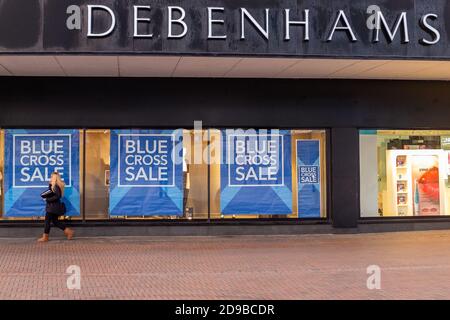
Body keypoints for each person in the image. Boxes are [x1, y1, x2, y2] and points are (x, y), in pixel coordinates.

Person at [37, 172, 74, 242]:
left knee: (47, 221)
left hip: (52, 207)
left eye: (51, 177)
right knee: (55, 221)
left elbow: (57, 196)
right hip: (54, 207)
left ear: (55, 178)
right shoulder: (53, 186)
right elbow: (53, 194)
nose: (50, 178)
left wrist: (47, 199)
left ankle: (45, 237)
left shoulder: (56, 186)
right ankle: (69, 231)